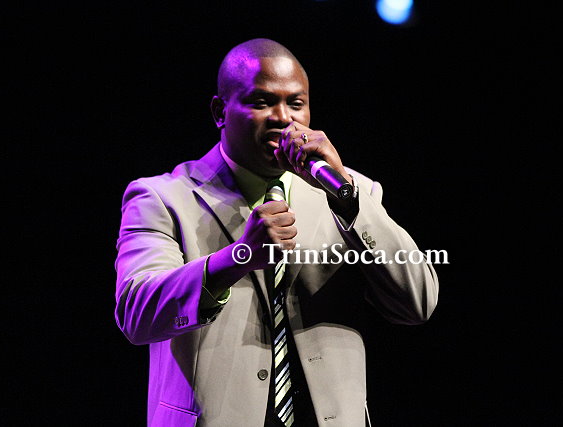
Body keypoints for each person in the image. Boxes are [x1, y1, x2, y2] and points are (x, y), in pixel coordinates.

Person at [114, 38, 438, 427]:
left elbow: (417, 303)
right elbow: (137, 314)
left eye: (296, 104)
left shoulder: (351, 193)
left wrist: (351, 202)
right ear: (219, 112)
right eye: (262, 102)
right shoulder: (162, 197)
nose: (283, 118)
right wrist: (237, 258)